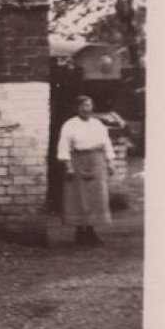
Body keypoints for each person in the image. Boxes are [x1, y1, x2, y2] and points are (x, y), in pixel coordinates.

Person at [57, 95, 113, 245]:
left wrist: (110, 162)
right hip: (77, 161)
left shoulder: (98, 124)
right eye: (83, 106)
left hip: (96, 160)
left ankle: (91, 231)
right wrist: (68, 165)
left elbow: (106, 143)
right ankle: (80, 232)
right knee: (79, 197)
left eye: (89, 106)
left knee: (95, 197)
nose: (86, 109)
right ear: (77, 108)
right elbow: (64, 146)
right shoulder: (70, 125)